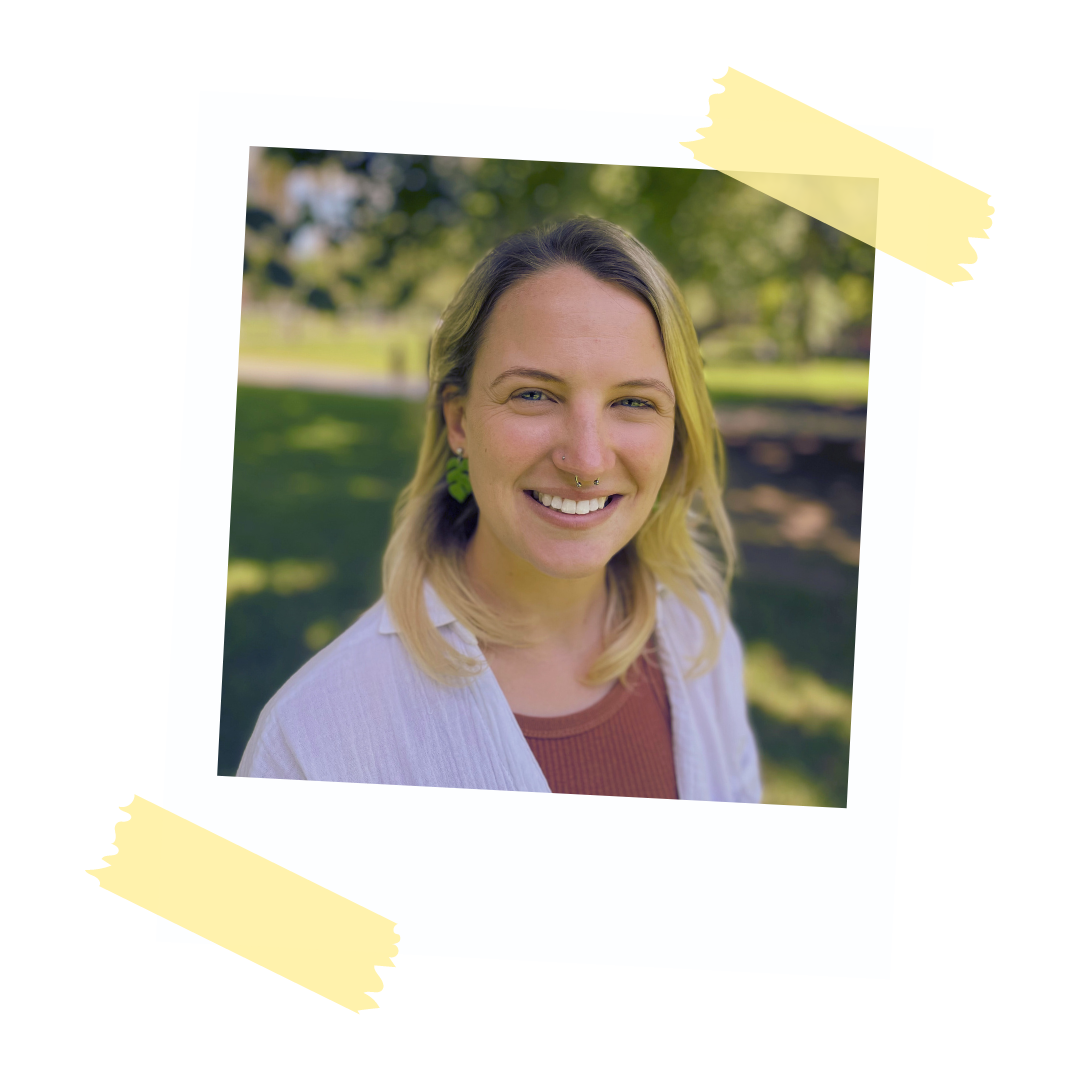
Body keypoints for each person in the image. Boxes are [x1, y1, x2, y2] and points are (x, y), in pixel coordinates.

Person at [237, 218, 762, 802]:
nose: (585, 460)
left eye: (633, 401)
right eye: (534, 394)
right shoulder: (313, 739)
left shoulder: (703, 646)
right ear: (459, 420)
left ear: (675, 430)